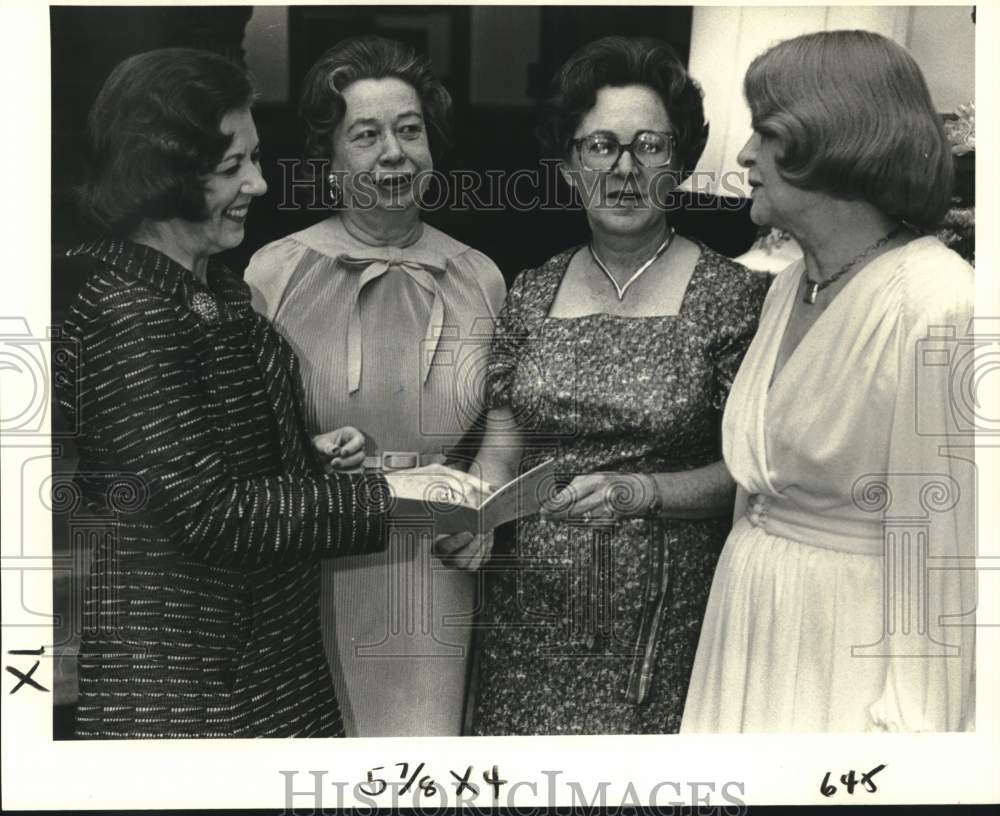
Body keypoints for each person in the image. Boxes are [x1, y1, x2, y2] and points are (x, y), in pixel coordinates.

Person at [54, 48, 473, 738]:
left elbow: (203, 462)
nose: (257, 182)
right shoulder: (128, 311)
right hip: (194, 690)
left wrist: (307, 452)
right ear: (160, 175)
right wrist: (390, 495)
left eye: (253, 157)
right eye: (231, 168)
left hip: (259, 667)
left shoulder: (207, 286)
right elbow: (210, 515)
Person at [436, 36, 770, 734]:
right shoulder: (530, 292)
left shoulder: (735, 296)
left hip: (664, 624)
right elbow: (503, 454)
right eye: (600, 147)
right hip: (528, 621)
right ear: (566, 165)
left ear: (678, 161)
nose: (624, 170)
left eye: (649, 145)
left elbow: (750, 474)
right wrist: (473, 518)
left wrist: (641, 493)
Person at [681, 30, 976, 733]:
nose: (745, 155)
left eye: (765, 132)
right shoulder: (789, 288)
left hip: (845, 659)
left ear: (834, 137)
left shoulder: (941, 306)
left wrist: (908, 738)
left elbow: (944, 565)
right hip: (749, 625)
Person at [245, 36, 506, 737]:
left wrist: (482, 512)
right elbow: (240, 447)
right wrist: (309, 453)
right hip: (318, 563)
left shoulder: (482, 275)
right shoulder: (274, 273)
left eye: (410, 130)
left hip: (438, 567)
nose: (394, 152)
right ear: (329, 159)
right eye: (366, 135)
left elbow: (502, 425)